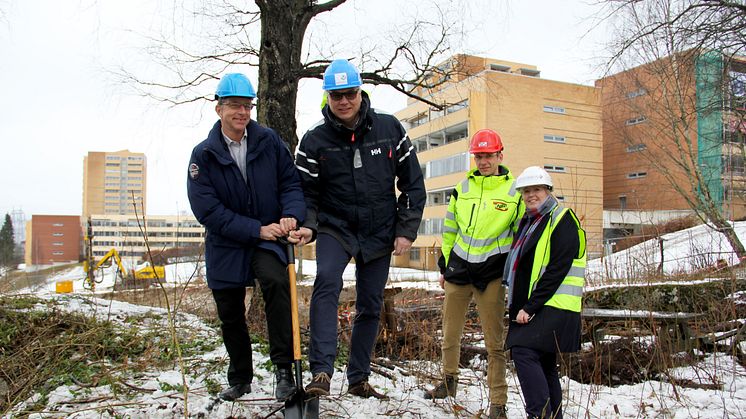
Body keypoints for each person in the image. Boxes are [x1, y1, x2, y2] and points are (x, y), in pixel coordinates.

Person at [291, 59, 426, 399]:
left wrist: (406, 230)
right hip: (336, 227)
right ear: (328, 98)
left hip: (380, 229)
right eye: (336, 96)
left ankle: (358, 378)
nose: (344, 102)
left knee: (370, 303)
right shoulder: (313, 141)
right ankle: (321, 372)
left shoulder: (390, 129)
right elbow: (306, 192)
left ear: (360, 92)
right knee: (326, 285)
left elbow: (412, 183)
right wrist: (308, 225)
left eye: (349, 93)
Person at [187, 73, 306, 402]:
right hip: (227, 243)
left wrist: (292, 213)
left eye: (246, 105)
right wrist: (255, 228)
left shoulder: (270, 142)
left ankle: (283, 372)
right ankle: (240, 377)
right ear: (219, 109)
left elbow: (291, 184)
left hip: (267, 240)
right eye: (234, 105)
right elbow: (207, 211)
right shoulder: (203, 155)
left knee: (276, 284)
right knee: (229, 311)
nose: (242, 112)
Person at [424, 129, 522, 419]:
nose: (483, 161)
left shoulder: (514, 191)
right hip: (459, 269)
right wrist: (445, 265)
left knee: (494, 342)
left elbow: (518, 237)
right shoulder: (462, 188)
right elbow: (450, 229)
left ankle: (498, 403)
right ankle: (448, 382)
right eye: (479, 156)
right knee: (450, 332)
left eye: (488, 155)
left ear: (500, 155)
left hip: (491, 273)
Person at [503, 166, 586, 419]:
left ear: (548, 190)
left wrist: (530, 307)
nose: (531, 195)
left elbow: (557, 268)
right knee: (545, 362)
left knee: (523, 351)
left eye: (536, 189)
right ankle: (552, 416)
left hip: (555, 305)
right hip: (540, 304)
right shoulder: (529, 222)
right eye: (526, 191)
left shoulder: (562, 219)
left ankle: (538, 414)